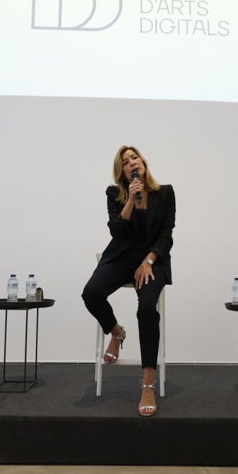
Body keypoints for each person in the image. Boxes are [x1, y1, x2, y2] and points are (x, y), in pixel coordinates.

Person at [82, 145, 175, 417]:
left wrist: (148, 261)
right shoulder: (115, 193)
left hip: (151, 261)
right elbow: (115, 229)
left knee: (147, 308)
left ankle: (148, 384)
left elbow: (167, 234)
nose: (131, 162)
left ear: (143, 161)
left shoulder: (165, 192)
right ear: (121, 171)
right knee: (91, 293)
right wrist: (128, 202)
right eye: (125, 161)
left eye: (134, 157)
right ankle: (116, 332)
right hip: (121, 258)